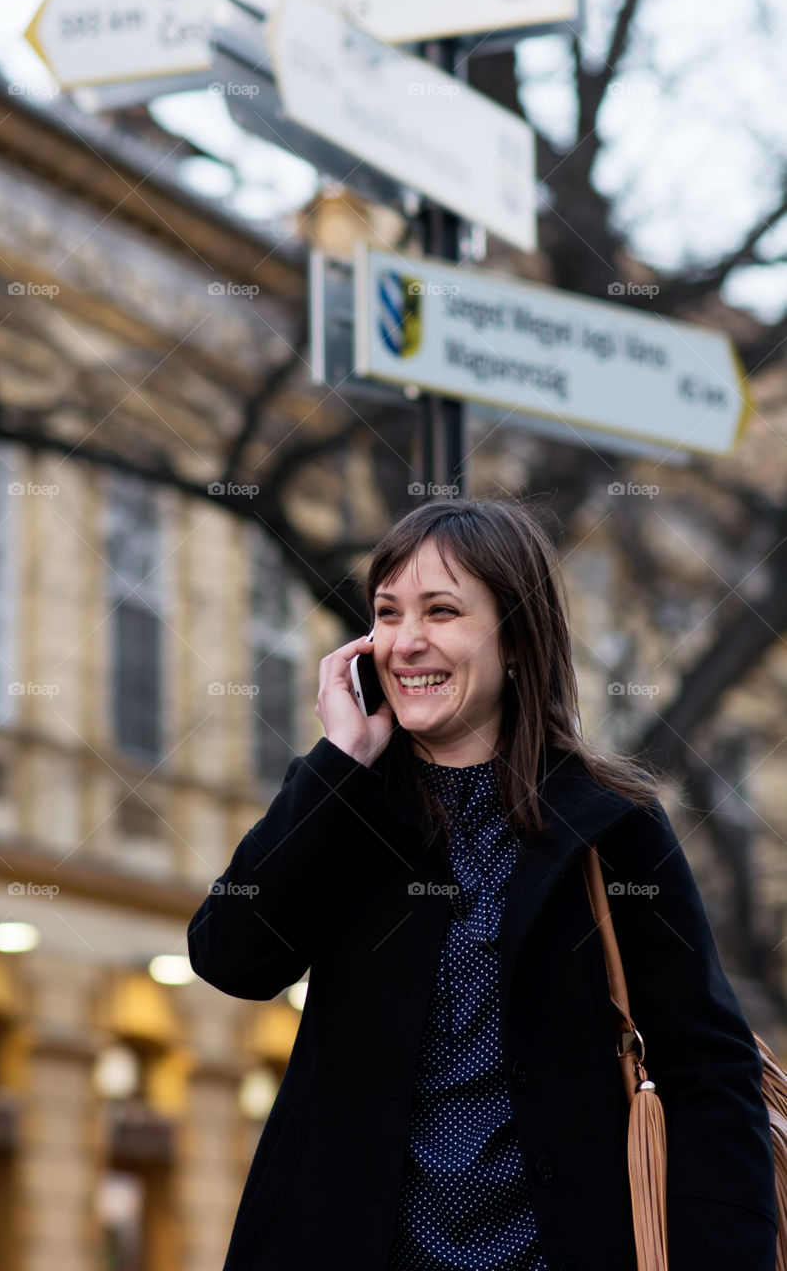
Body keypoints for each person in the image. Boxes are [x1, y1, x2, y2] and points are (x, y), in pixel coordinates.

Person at [187, 495, 777, 1271]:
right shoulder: (348, 808)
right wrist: (337, 763)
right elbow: (231, 955)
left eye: (441, 611)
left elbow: (710, 1073)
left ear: (517, 642)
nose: (406, 643)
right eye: (388, 614)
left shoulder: (610, 827)